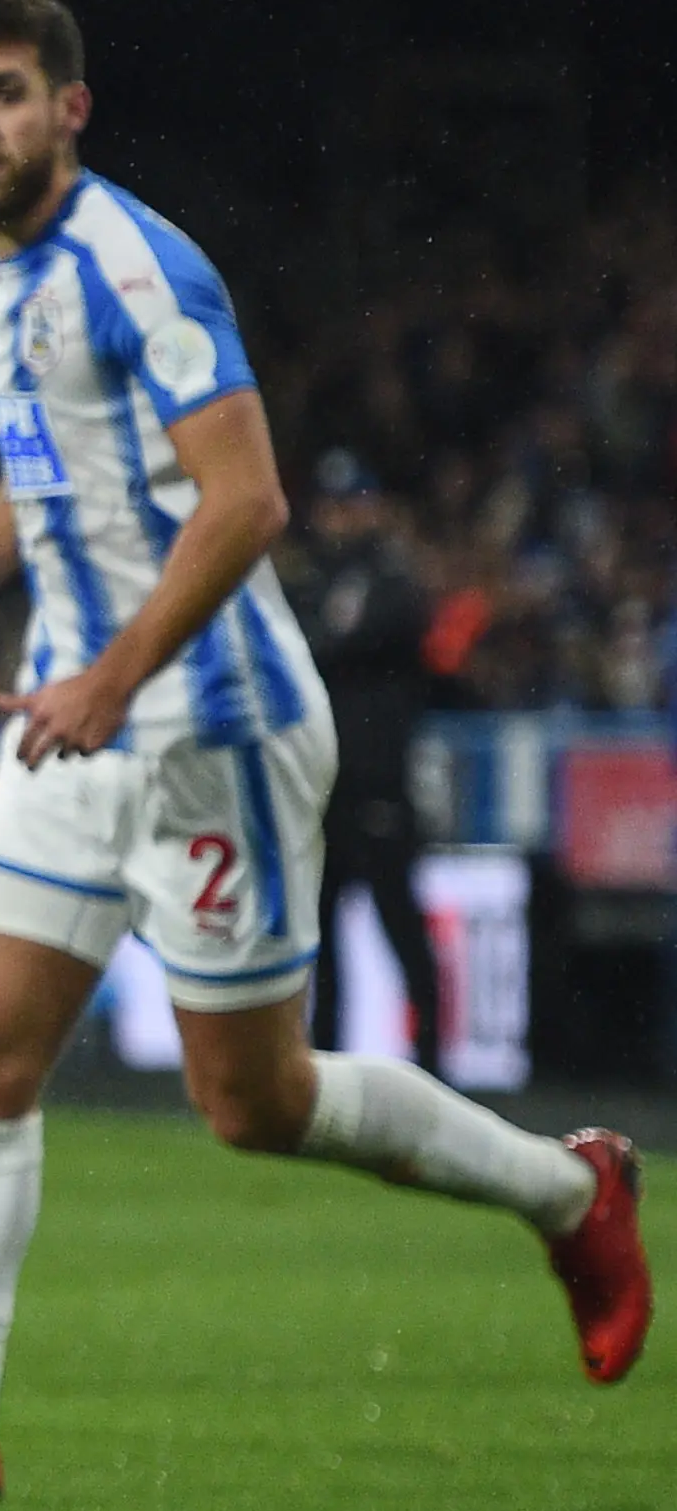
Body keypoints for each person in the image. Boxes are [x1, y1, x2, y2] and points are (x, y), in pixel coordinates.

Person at [0, 0, 649, 1501]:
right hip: (70, 722)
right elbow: (56, 471)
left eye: (2, 93)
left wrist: (119, 678)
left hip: (213, 730)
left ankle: (567, 1191)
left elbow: (248, 495)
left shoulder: (136, 265)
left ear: (68, 106)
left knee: (252, 1106)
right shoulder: (0, 275)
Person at [289, 450, 445, 1074]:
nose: (339, 518)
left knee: (400, 926)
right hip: (324, 784)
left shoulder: (391, 576)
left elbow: (351, 637)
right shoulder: (313, 579)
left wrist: (324, 644)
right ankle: (325, 1066)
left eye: (350, 504)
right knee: (321, 936)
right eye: (331, 506)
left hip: (378, 780)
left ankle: (434, 1062)